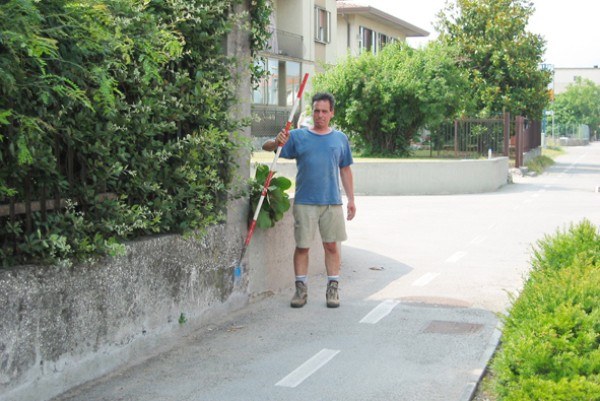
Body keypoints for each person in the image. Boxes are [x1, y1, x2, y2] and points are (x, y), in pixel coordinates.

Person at [262, 92, 356, 308]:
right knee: (303, 247)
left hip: (332, 202)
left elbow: (345, 170)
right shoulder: (297, 136)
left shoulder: (340, 138)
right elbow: (267, 147)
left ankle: (333, 289)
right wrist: (276, 141)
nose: (320, 115)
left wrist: (351, 199)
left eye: (324, 111)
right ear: (312, 112)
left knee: (331, 246)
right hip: (305, 202)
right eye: (316, 111)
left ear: (332, 113)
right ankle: (300, 290)